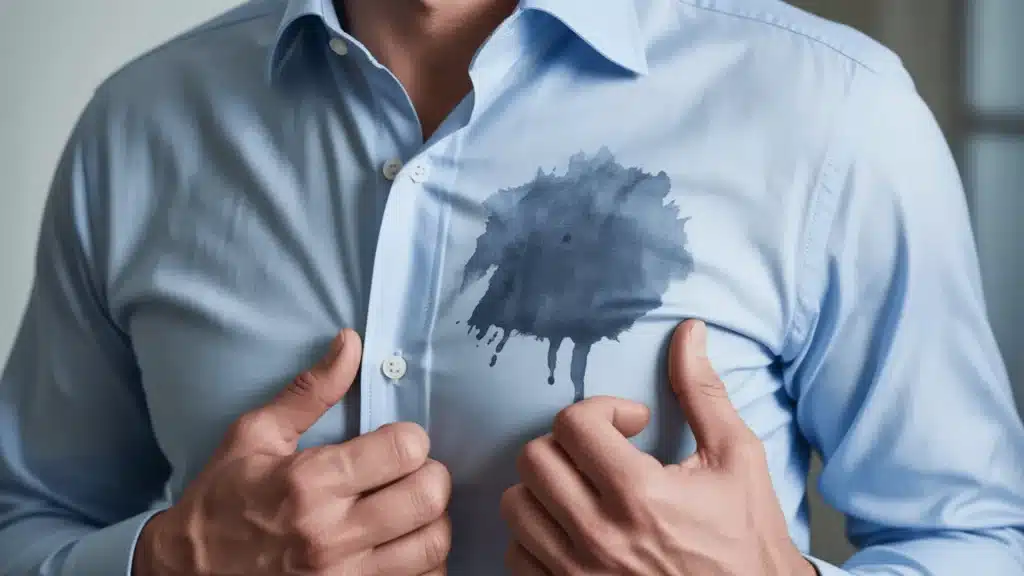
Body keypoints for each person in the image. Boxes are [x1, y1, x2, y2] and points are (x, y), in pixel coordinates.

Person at [2, 0, 1023, 573]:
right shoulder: (138, 124)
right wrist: (160, 566)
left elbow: (979, 541)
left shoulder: (835, 114)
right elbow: (24, 519)